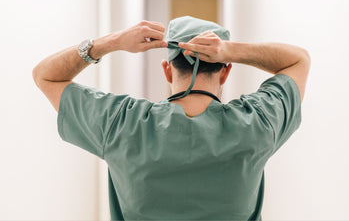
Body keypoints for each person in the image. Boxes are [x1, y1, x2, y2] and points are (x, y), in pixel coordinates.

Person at [33, 16, 310, 221]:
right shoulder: (257, 124)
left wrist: (111, 42)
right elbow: (298, 60)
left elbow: (45, 75)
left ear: (167, 71)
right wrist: (230, 51)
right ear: (225, 72)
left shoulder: (121, 123)